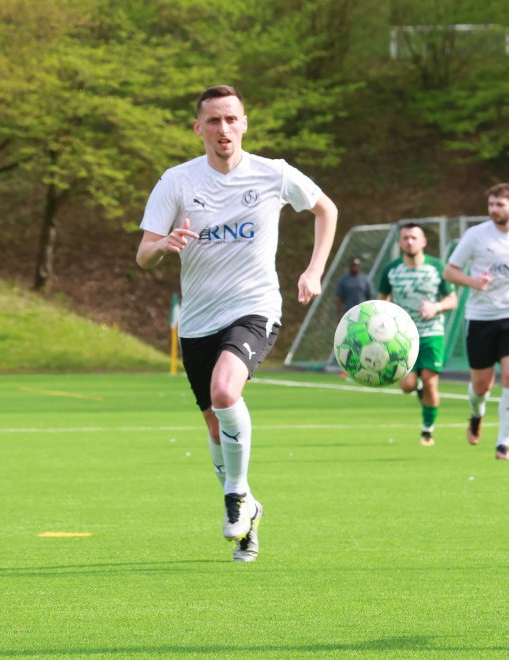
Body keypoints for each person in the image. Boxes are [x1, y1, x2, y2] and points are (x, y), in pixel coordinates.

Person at [136, 85, 338, 562]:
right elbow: (142, 254)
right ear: (198, 128)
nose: (223, 129)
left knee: (227, 393)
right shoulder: (178, 182)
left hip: (254, 307)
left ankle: (237, 494)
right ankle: (249, 513)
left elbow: (325, 209)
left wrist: (314, 269)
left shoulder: (273, 174)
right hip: (198, 320)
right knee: (213, 425)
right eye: (213, 121)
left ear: (244, 123)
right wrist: (163, 245)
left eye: (231, 119)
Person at [443, 183, 509, 460]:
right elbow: (449, 271)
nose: (493, 210)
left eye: (499, 205)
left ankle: (503, 444)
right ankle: (476, 415)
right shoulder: (476, 235)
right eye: (491, 204)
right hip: (480, 318)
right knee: (482, 385)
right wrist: (473, 282)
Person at [379, 223, 457, 444]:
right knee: (407, 385)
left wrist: (436, 307)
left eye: (414, 237)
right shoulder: (391, 270)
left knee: (431, 383)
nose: (409, 242)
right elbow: (381, 300)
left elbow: (452, 300)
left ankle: (427, 430)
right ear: (400, 243)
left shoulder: (436, 267)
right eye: (405, 238)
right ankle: (419, 387)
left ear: (423, 242)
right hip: (402, 337)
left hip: (432, 332)